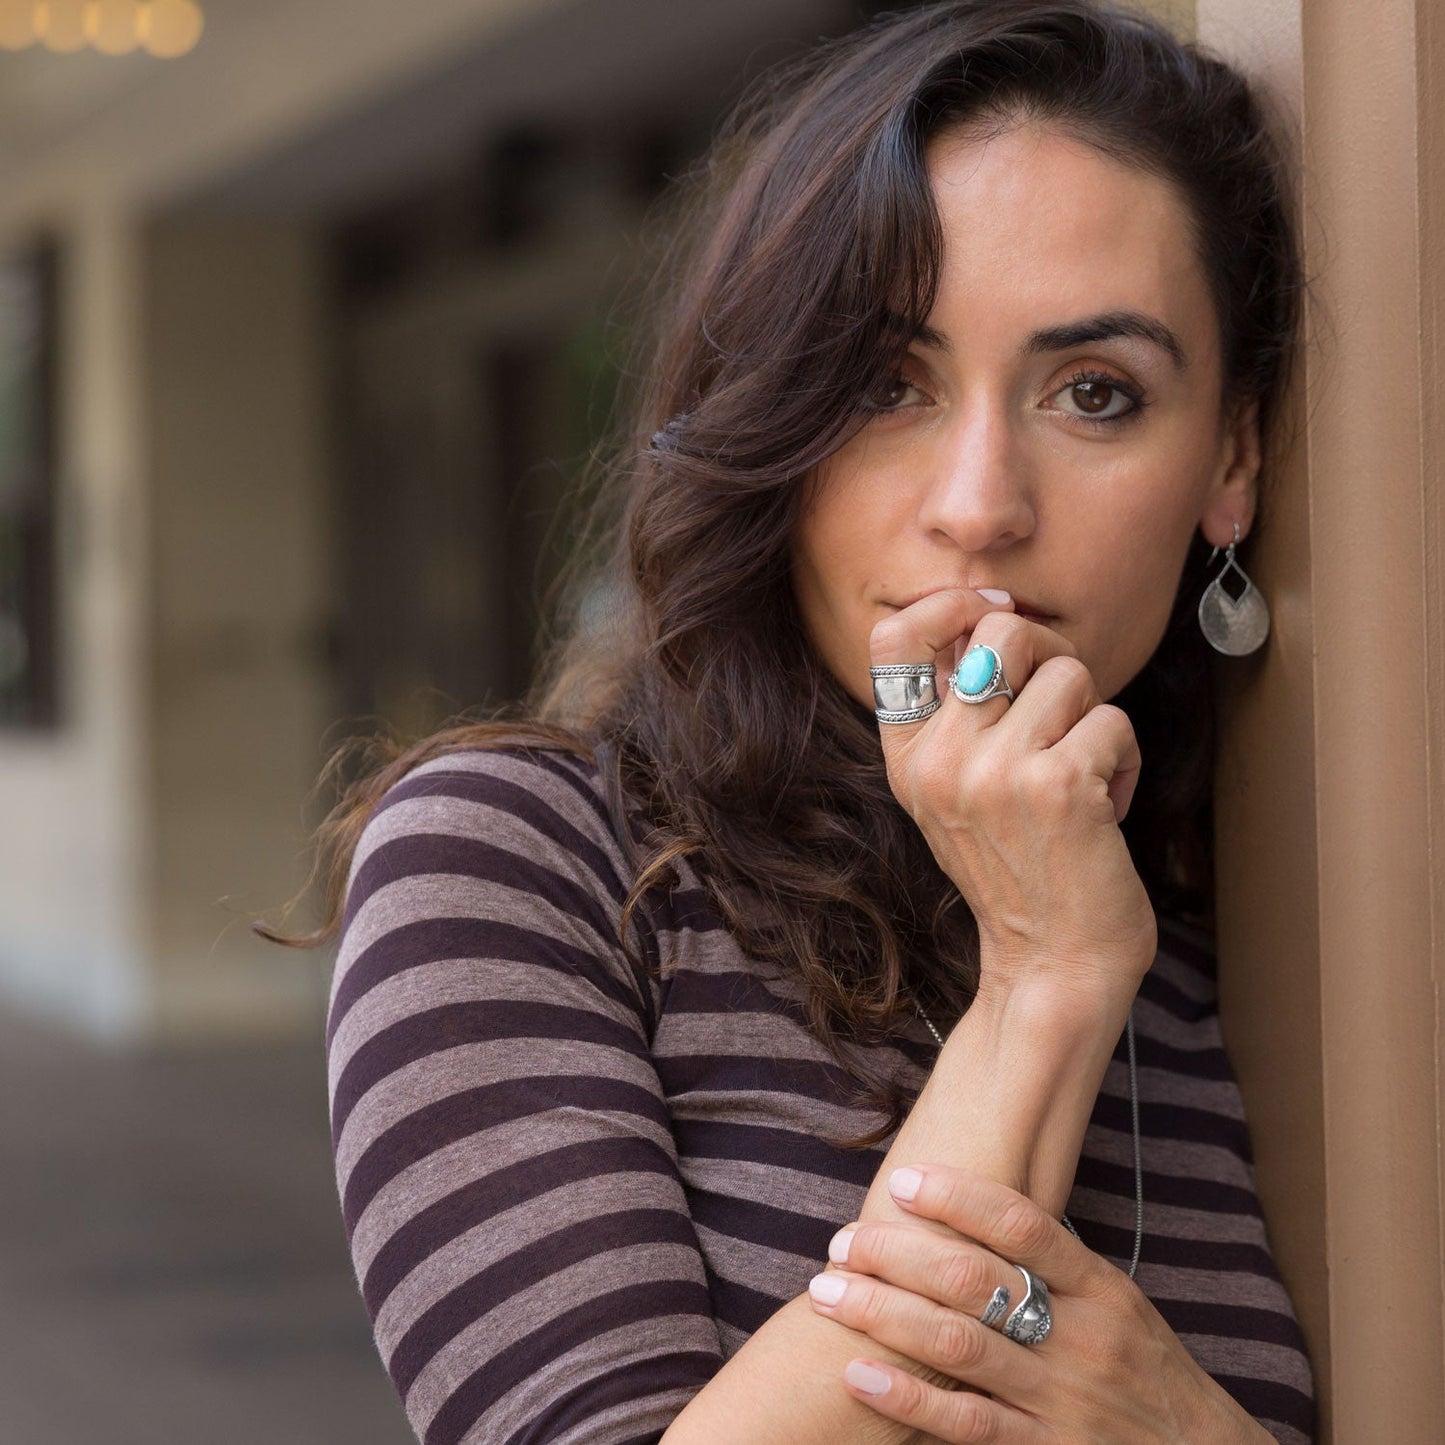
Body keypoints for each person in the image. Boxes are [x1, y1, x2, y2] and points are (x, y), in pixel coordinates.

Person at [279, 2, 1316, 1439]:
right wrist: (1044, 977)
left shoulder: (1270, 928)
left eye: (1094, 393)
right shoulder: (522, 864)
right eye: (889, 384)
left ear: (1232, 460)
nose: (976, 503)